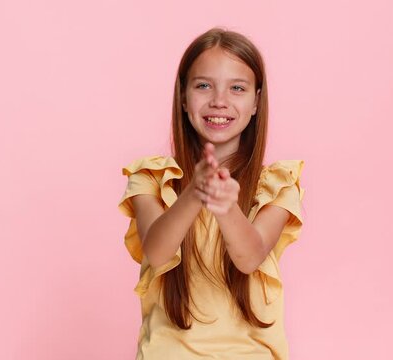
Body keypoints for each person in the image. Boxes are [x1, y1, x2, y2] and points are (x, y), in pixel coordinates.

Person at [118, 27, 305, 359]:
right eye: (203, 85)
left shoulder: (277, 184)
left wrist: (225, 206)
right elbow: (157, 253)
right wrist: (194, 193)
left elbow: (250, 257)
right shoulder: (152, 177)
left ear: (255, 102)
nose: (219, 100)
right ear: (184, 98)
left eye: (237, 88)